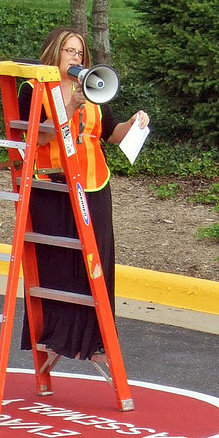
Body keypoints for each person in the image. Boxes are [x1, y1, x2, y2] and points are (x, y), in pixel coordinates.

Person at [19, 27, 150, 360]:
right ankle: (56, 337)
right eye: (69, 51)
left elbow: (112, 134)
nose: (75, 58)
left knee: (97, 261)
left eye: (80, 53)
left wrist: (135, 123)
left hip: (93, 183)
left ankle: (93, 340)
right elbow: (38, 136)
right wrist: (70, 104)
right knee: (59, 262)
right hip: (52, 183)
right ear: (53, 52)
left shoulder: (92, 90)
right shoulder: (33, 89)